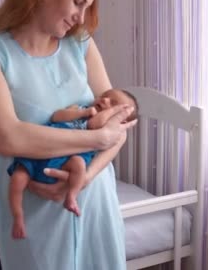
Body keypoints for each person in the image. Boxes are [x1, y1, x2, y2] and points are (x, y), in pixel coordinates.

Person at [0, 0, 137, 270]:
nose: (81, 18)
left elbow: (118, 126)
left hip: (94, 203)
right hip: (32, 213)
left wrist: (85, 179)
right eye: (77, 2)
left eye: (87, 7)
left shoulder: (80, 44)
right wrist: (98, 139)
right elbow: (8, 137)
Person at [7, 89, 139, 239]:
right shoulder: (81, 108)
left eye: (113, 103)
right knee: (18, 177)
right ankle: (18, 216)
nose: (105, 100)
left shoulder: (106, 126)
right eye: (104, 96)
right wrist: (81, 113)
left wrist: (112, 113)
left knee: (79, 165)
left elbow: (96, 124)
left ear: (121, 120)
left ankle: (71, 196)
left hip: (68, 157)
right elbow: (57, 116)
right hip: (41, 149)